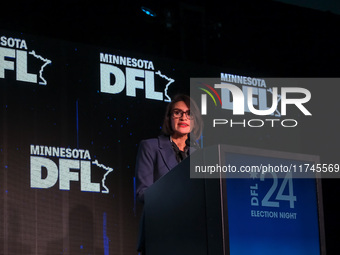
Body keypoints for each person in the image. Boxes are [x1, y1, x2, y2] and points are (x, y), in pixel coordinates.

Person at [135, 94, 202, 203]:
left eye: (189, 114)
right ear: (169, 118)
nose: (183, 117)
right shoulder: (150, 147)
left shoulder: (199, 155)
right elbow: (142, 193)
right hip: (163, 217)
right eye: (177, 113)